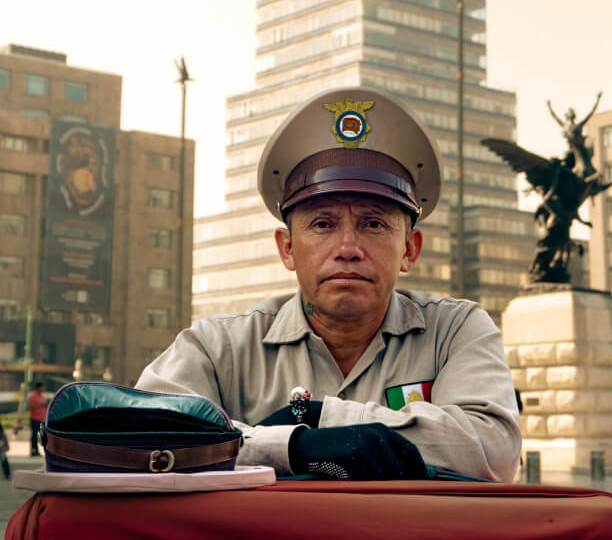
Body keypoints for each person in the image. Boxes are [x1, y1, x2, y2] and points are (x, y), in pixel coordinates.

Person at [137, 87, 521, 481]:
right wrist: (293, 446)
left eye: (373, 223)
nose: (348, 247)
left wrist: (320, 417)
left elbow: (495, 451)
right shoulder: (219, 348)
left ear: (409, 248)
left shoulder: (456, 332)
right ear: (287, 248)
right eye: (323, 224)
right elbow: (136, 441)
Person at [28, 381, 47, 457]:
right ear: (38, 388)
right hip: (35, 419)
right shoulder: (33, 396)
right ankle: (33, 450)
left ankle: (37, 450)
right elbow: (30, 407)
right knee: (34, 435)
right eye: (42, 387)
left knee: (40, 436)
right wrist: (40, 404)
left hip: (41, 419)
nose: (43, 389)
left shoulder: (42, 396)